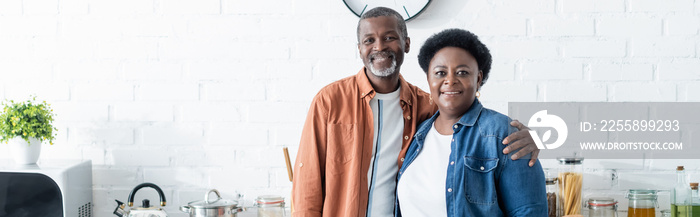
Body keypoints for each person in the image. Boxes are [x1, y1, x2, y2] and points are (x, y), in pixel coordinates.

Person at [292, 7, 541, 217]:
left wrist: (531, 139)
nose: (379, 46)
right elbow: (308, 184)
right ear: (359, 49)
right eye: (369, 40)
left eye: (389, 37)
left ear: (406, 44)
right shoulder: (330, 100)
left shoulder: (426, 107)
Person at [395, 28, 547, 217]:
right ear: (429, 78)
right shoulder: (418, 134)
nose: (450, 81)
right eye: (440, 73)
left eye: (462, 72)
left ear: (478, 79)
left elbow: (530, 212)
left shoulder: (503, 134)